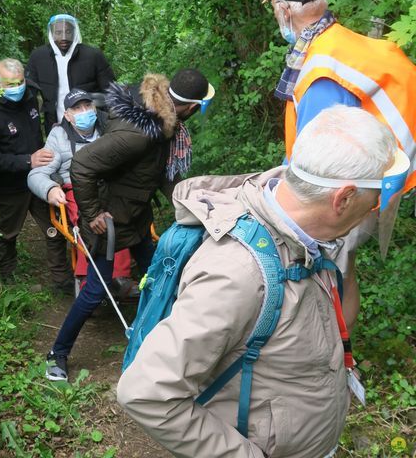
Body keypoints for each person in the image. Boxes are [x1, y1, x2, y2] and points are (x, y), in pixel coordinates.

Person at [117, 105, 404, 458]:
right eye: (374, 198)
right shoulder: (238, 273)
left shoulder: (313, 232)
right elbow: (146, 392)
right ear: (342, 198)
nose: (375, 207)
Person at [262, 0, 416, 329]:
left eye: (274, 6)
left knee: (331, 274)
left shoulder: (321, 72)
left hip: (349, 190)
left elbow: (319, 162)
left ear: (285, 10)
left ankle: (337, 350)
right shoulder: (336, 40)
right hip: (377, 171)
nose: (274, 14)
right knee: (344, 269)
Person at [45, 68, 215, 381]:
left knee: (165, 272)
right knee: (95, 290)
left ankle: (165, 339)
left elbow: (162, 173)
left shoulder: (161, 119)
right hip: (109, 220)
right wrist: (93, 213)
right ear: (191, 108)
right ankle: (58, 353)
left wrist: (193, 205)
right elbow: (82, 165)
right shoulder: (139, 134)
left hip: (136, 214)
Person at [27, 87, 139, 298]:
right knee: (89, 221)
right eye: (77, 108)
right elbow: (36, 175)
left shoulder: (109, 128)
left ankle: (120, 276)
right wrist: (50, 188)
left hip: (110, 186)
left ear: (95, 108)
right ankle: (91, 277)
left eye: (87, 106)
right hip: (76, 188)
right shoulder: (59, 136)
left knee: (119, 214)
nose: (84, 111)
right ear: (67, 116)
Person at [0, 58, 72, 291]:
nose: (16, 88)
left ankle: (61, 280)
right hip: (9, 185)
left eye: (20, 82)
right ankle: (8, 282)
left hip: (39, 179)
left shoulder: (30, 95)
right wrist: (28, 160)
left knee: (54, 226)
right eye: (9, 84)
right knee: (8, 232)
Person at [26, 14, 115, 135]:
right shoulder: (38, 57)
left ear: (75, 32)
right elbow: (30, 92)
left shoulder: (93, 55)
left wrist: (111, 121)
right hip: (55, 124)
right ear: (51, 33)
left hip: (92, 123)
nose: (63, 37)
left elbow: (111, 90)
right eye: (58, 32)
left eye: (68, 31)